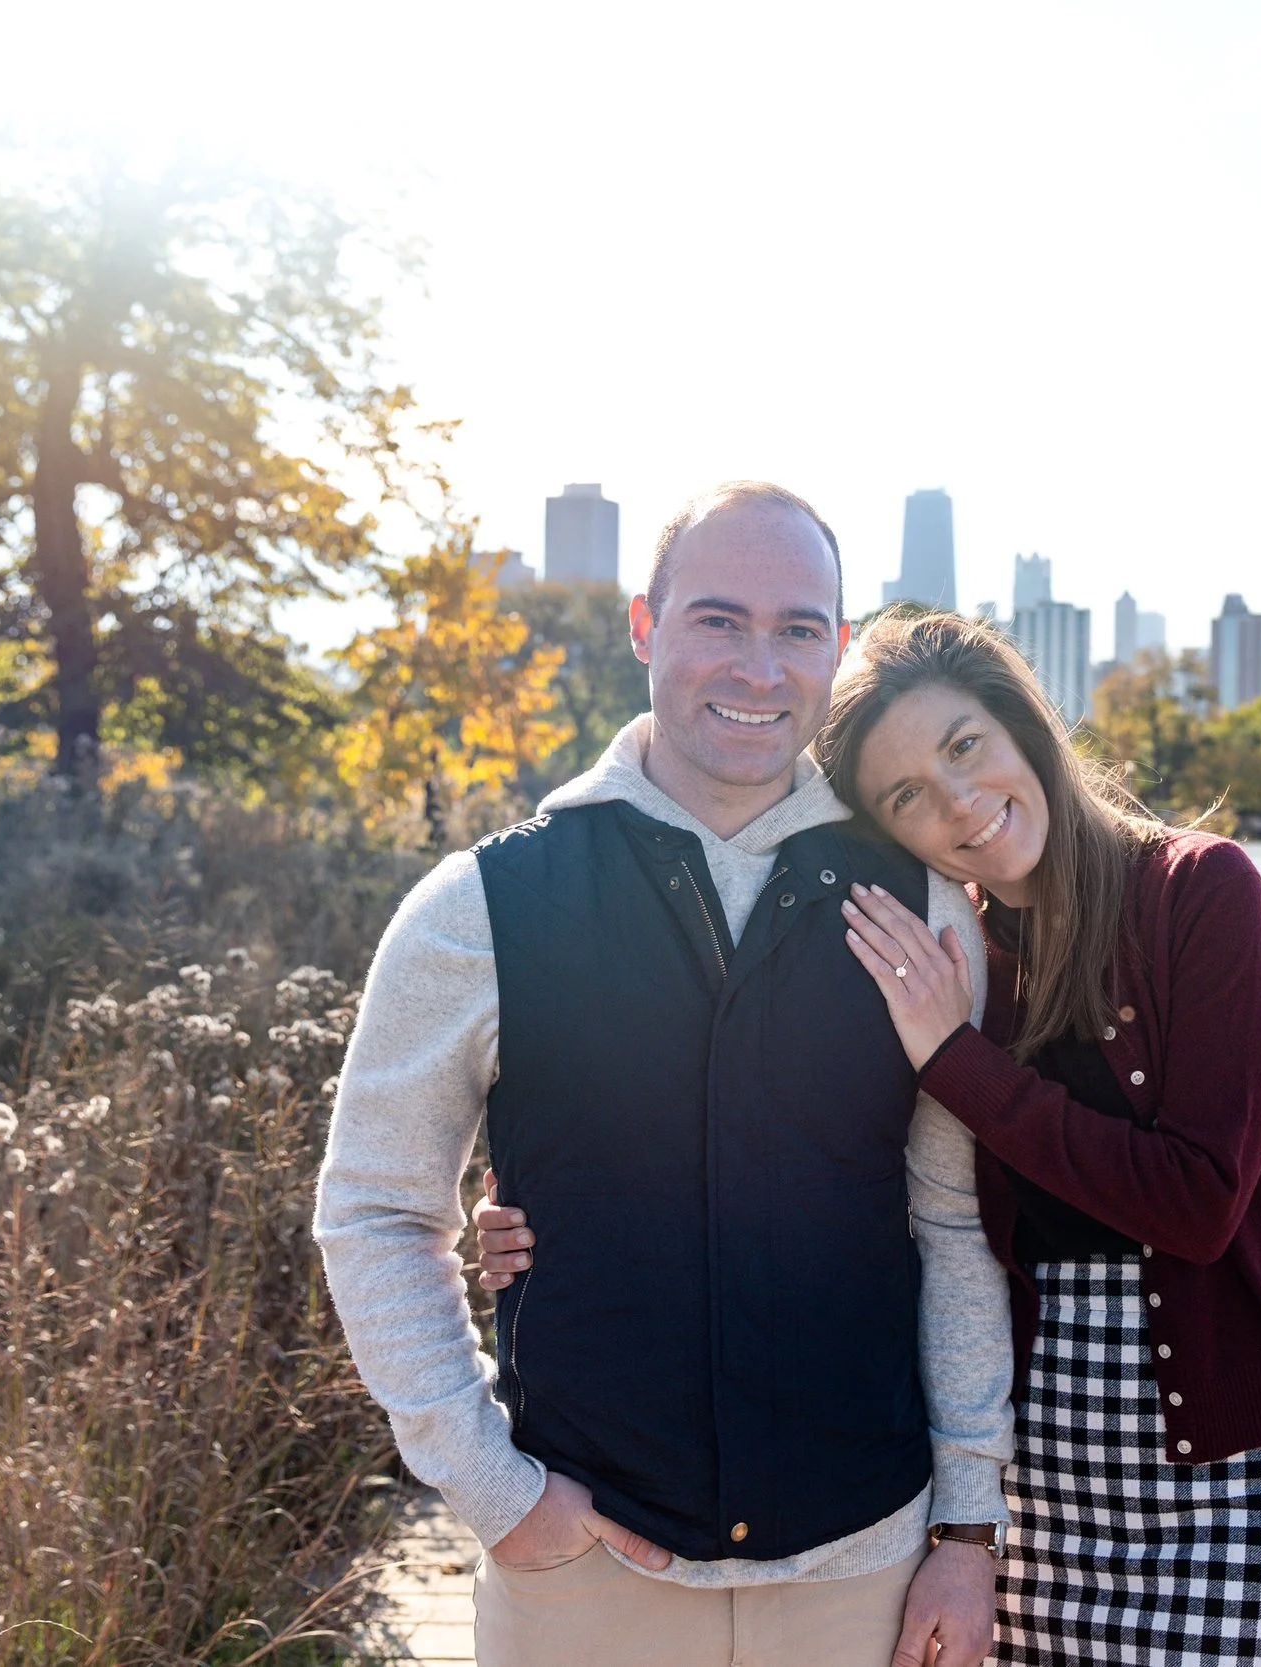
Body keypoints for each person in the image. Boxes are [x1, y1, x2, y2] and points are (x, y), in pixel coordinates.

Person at [478, 609, 1261, 1664]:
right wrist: (551, 1217)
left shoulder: (1198, 891)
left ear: (1021, 721)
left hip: (1232, 1464)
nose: (960, 802)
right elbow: (852, 1174)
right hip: (1034, 1475)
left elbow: (1199, 1202)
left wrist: (955, 1058)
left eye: (965, 745)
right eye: (907, 796)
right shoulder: (943, 945)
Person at [315, 486, 1017, 1667]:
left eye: (798, 626)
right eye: (717, 619)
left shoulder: (927, 907)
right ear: (644, 626)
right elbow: (377, 1210)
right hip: (587, 1574)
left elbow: (951, 1227)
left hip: (867, 1567)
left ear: (837, 650)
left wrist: (966, 1524)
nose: (757, 662)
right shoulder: (481, 906)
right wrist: (493, 1488)